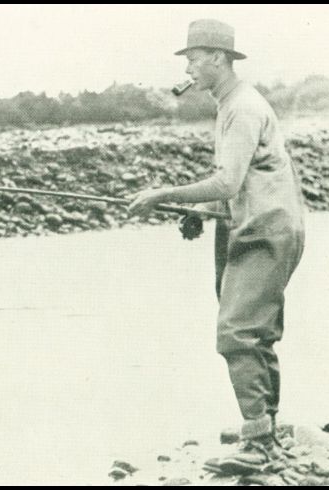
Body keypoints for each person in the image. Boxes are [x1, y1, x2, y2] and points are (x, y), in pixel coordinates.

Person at [127, 19, 306, 475]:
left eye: (193, 56)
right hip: (256, 223)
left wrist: (162, 196)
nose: (187, 65)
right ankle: (265, 428)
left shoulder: (242, 107)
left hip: (265, 229)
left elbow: (228, 180)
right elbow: (236, 184)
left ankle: (260, 443)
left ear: (219, 59)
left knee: (236, 331)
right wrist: (198, 210)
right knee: (251, 329)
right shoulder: (229, 103)